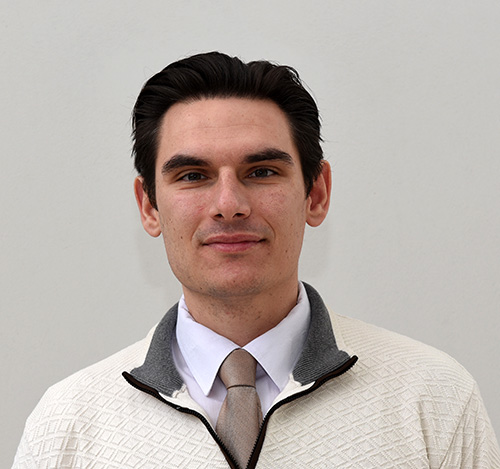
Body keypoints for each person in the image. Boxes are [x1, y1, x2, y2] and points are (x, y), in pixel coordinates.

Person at [13, 52, 499, 469]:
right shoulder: (68, 424)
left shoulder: (433, 397)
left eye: (262, 171)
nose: (229, 204)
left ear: (316, 194)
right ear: (149, 206)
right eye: (192, 175)